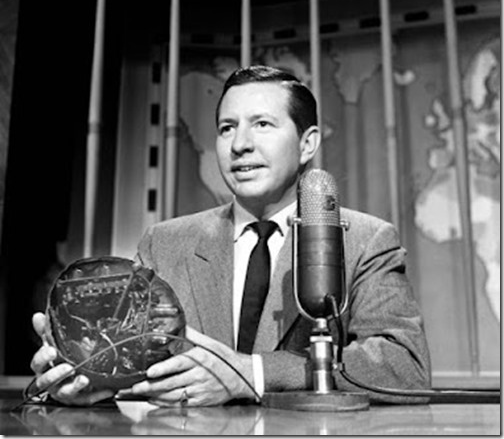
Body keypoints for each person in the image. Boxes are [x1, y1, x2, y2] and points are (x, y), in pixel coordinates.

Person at [29, 65, 431, 407]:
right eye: (227, 128)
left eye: (262, 124)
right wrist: (89, 382)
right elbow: (132, 361)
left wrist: (253, 374)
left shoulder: (365, 239)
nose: (240, 145)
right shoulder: (164, 244)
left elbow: (404, 367)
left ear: (307, 143)